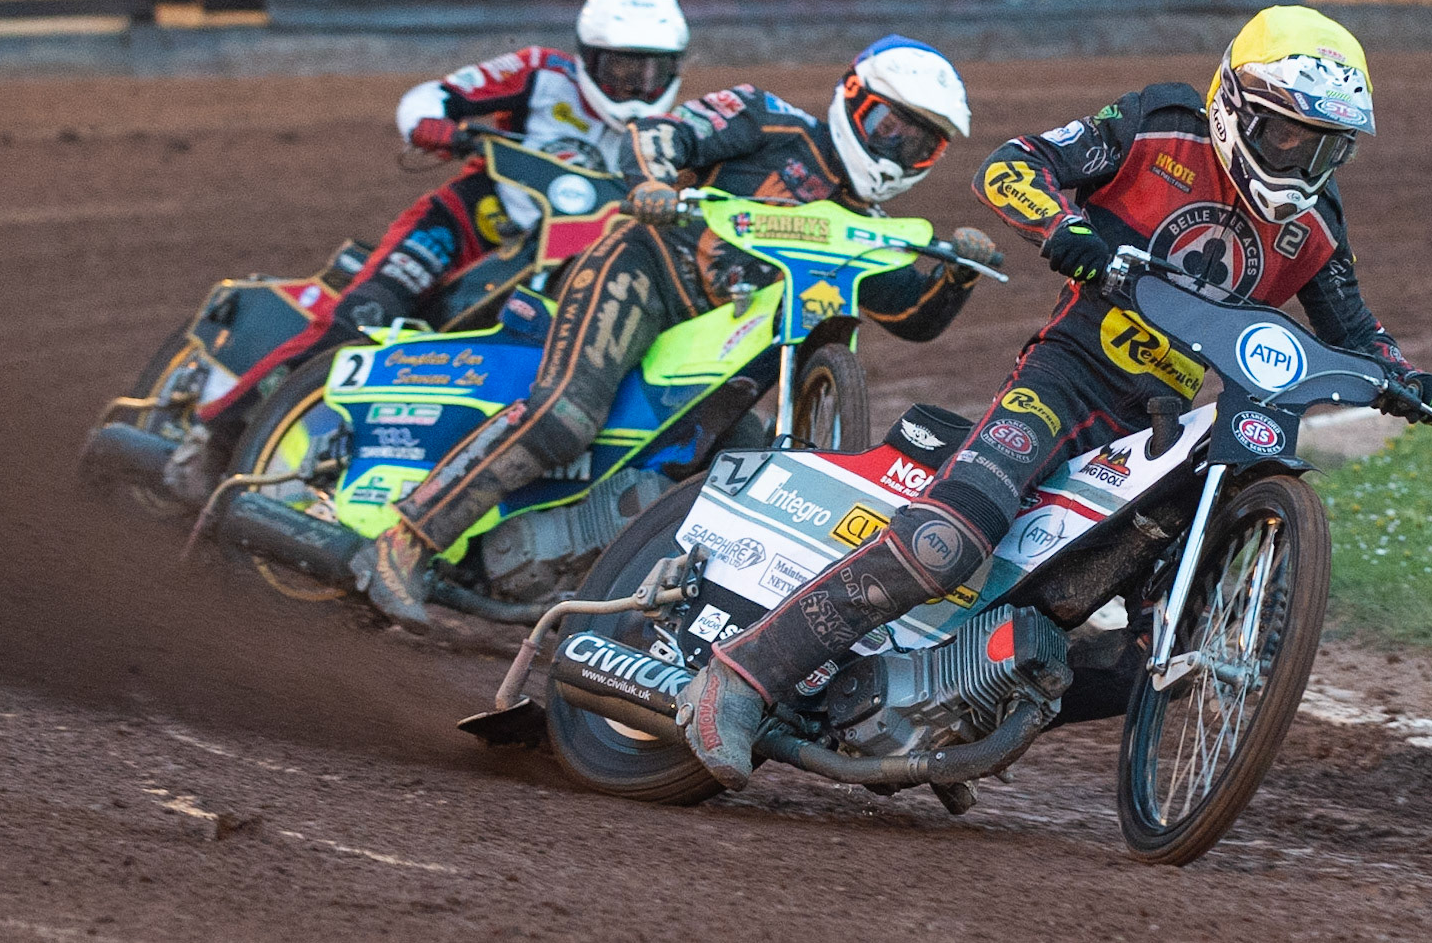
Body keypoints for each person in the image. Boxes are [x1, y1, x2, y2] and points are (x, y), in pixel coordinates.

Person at [677, 5, 1432, 790]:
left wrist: (1404, 378)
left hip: (1159, 427)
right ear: (1236, 105)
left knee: (1153, 654)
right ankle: (740, 678)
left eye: (1326, 145)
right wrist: (1064, 228)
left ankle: (953, 708)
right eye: (1290, 134)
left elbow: (1358, 330)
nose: (1302, 160)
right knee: (947, 541)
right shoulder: (1159, 124)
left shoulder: (1315, 226)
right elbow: (1012, 166)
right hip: (1064, 378)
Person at [351, 35, 1002, 627]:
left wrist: (959, 274)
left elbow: (911, 316)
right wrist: (651, 184)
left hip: (716, 359)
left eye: (918, 143)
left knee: (735, 487)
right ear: (852, 102)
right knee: (565, 417)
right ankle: (406, 539)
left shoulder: (870, 230)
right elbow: (662, 134)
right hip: (646, 272)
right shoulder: (765, 119)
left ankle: (616, 620)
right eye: (888, 126)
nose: (896, 148)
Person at [174, 0, 691, 494]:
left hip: (564, 266)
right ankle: (215, 434)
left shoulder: (676, 132)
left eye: (652, 70)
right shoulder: (539, 72)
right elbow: (433, 96)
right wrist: (435, 125)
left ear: (675, 68)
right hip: (470, 226)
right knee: (365, 317)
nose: (635, 86)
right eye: (620, 69)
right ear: (587, 57)